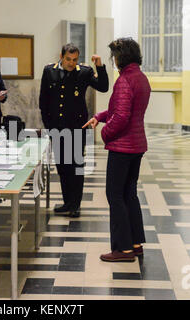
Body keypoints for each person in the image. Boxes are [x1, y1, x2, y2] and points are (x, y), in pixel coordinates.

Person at [83, 38, 151, 262]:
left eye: (114, 56)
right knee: (129, 193)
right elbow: (118, 109)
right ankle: (135, 243)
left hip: (123, 146)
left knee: (115, 194)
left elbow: (121, 116)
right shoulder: (140, 78)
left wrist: (104, 133)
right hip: (136, 145)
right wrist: (99, 117)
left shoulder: (124, 81)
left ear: (120, 57)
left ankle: (123, 249)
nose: (113, 60)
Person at [39, 43, 109, 218]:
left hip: (77, 127)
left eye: (75, 59)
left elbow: (103, 86)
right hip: (57, 127)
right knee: (62, 166)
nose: (71, 63)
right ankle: (67, 202)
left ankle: (76, 205)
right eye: (68, 59)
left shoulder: (84, 72)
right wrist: (49, 127)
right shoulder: (49, 71)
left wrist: (99, 66)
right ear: (61, 56)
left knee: (76, 167)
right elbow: (43, 102)